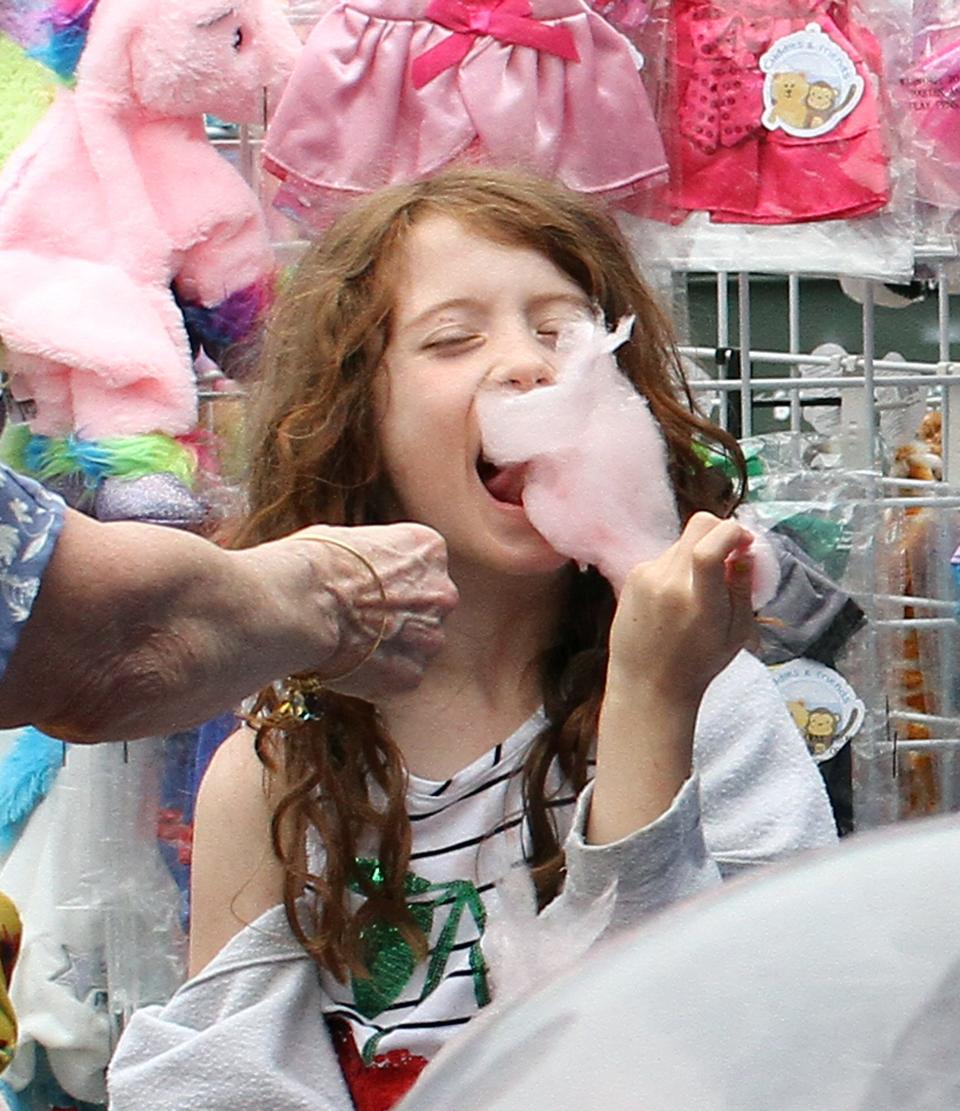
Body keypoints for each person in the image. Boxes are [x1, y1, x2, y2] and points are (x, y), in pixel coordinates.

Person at [107, 168, 837, 1111]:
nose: (529, 365)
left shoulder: (714, 705)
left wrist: (652, 700)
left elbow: (749, 1048)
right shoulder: (280, 768)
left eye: (564, 330)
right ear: (356, 421)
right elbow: (221, 1087)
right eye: (454, 337)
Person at [0, 463, 457, 742]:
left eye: (535, 329)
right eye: (454, 338)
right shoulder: (275, 759)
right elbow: (112, 650)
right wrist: (329, 593)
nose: (522, 366)